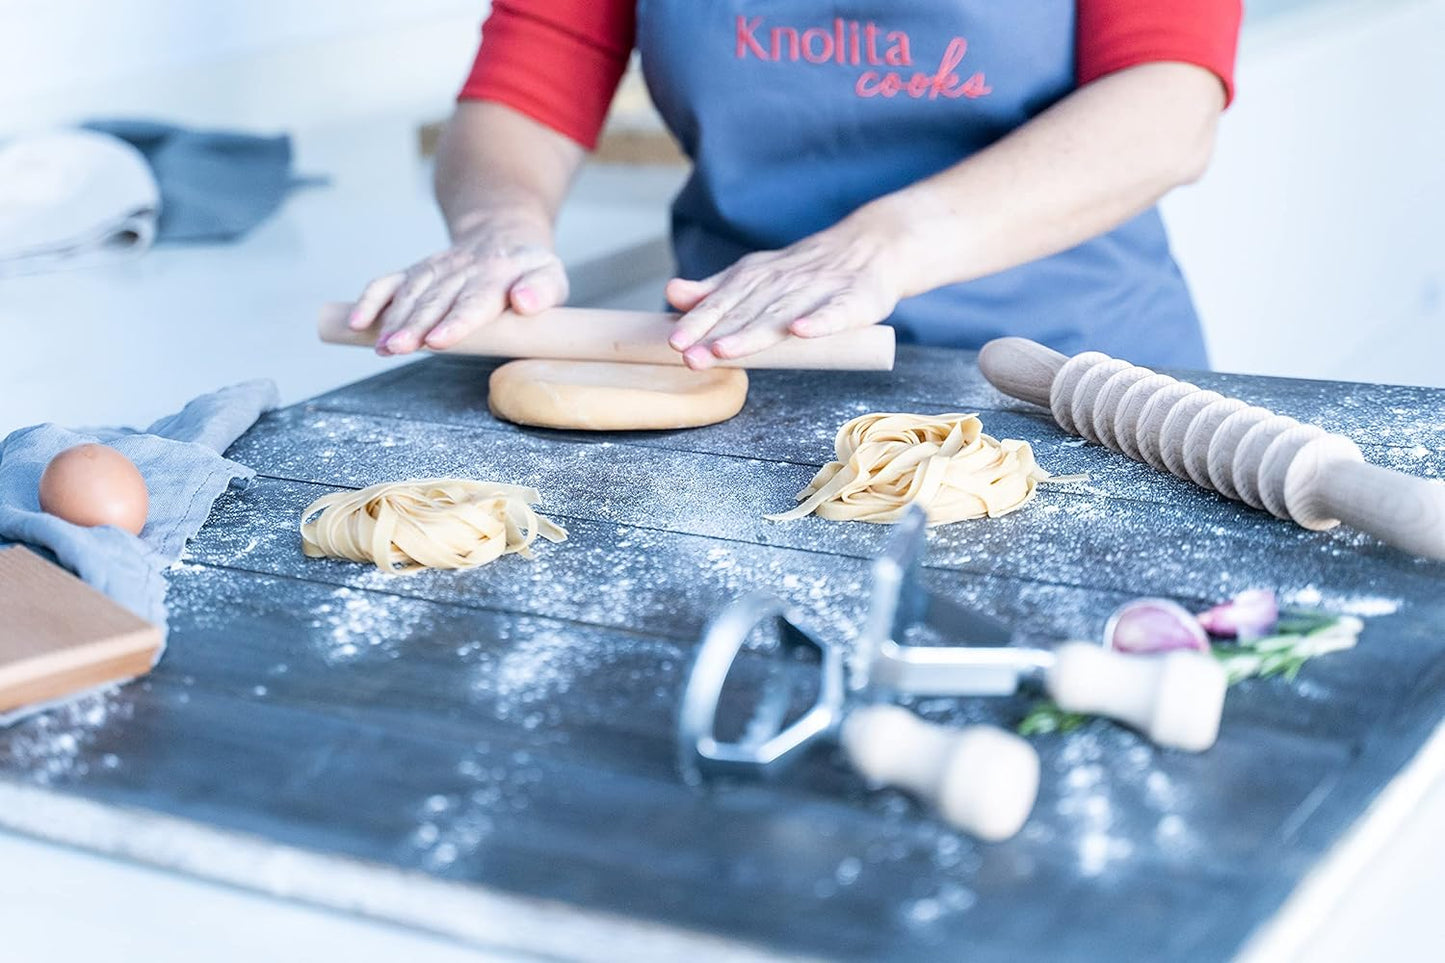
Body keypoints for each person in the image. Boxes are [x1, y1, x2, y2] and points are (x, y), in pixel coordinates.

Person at [348, 2, 1241, 370]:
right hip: (745, 367)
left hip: (1069, 374)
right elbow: (530, 78)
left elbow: (1167, 106)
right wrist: (497, 224)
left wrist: (878, 245)